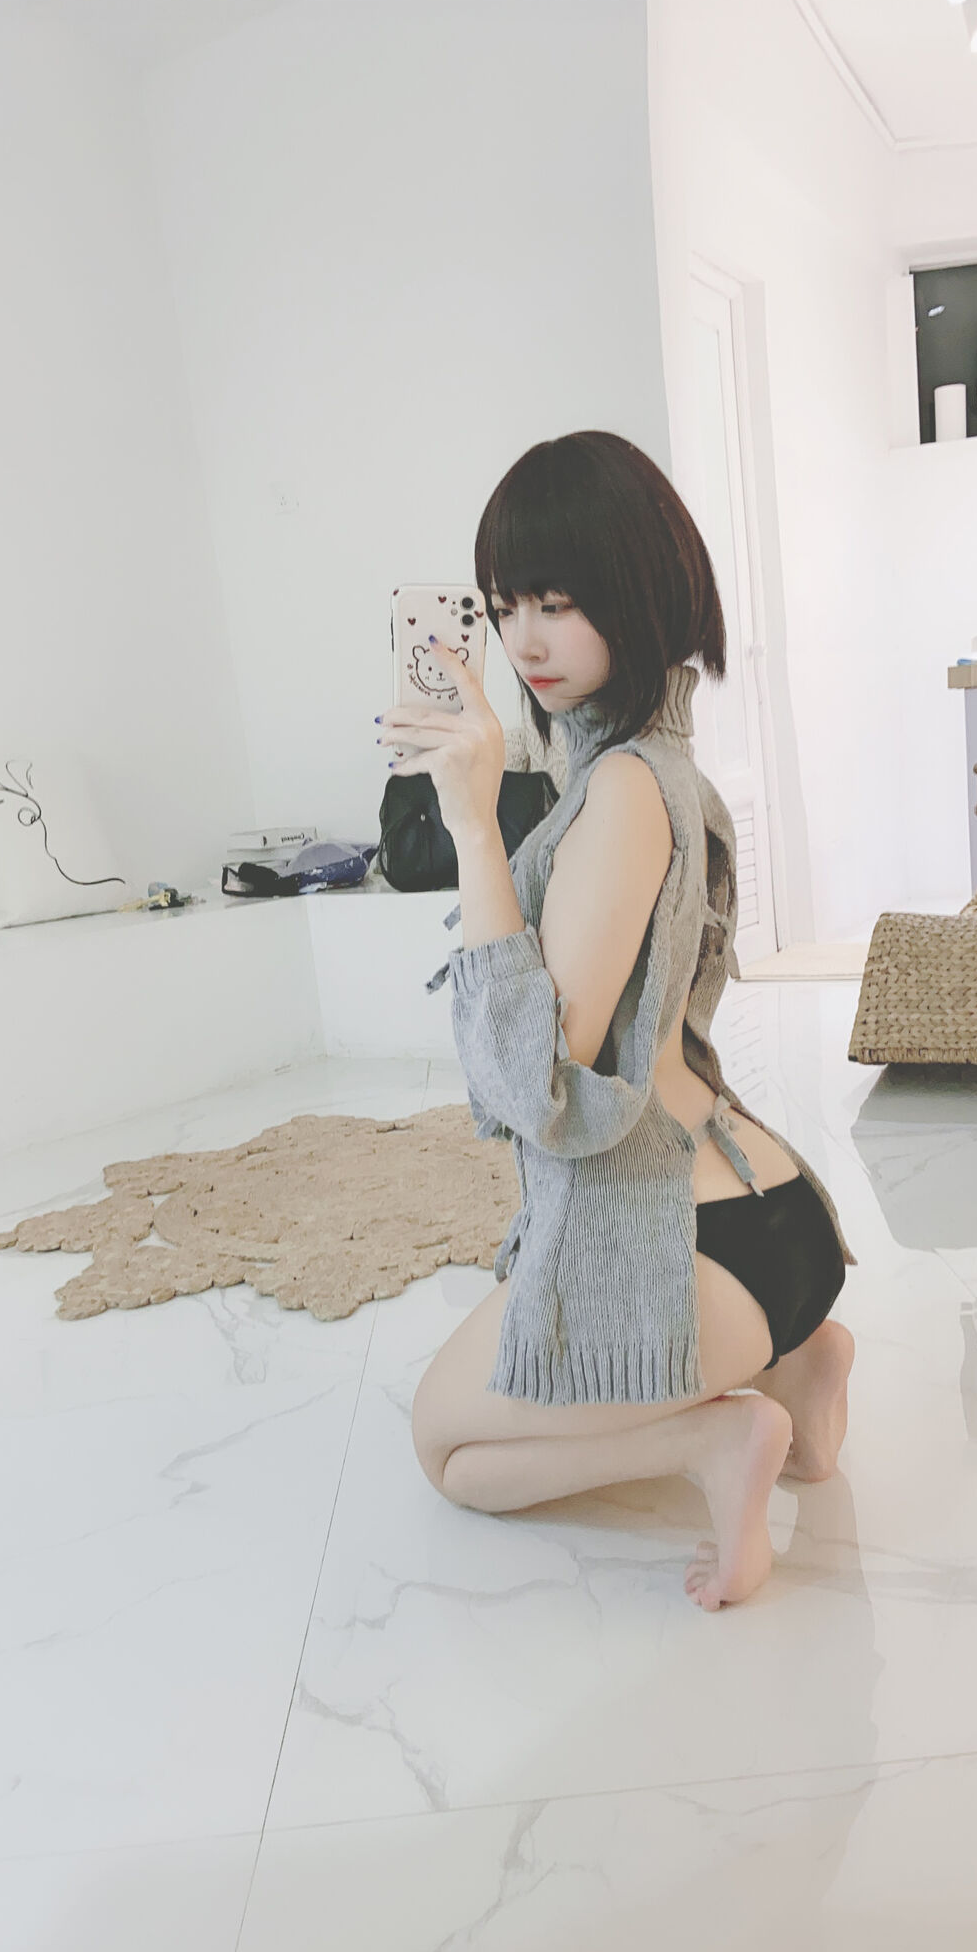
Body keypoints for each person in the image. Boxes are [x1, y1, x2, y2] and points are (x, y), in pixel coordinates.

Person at [379, 431, 854, 1609]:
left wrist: (474, 824)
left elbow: (540, 1088)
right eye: (504, 607)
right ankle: (802, 1365)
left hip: (693, 1254)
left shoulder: (629, 791)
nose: (525, 641)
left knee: (448, 1449)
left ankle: (715, 1438)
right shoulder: (661, 768)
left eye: (557, 601)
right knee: (474, 1414)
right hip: (767, 1219)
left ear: (638, 589)